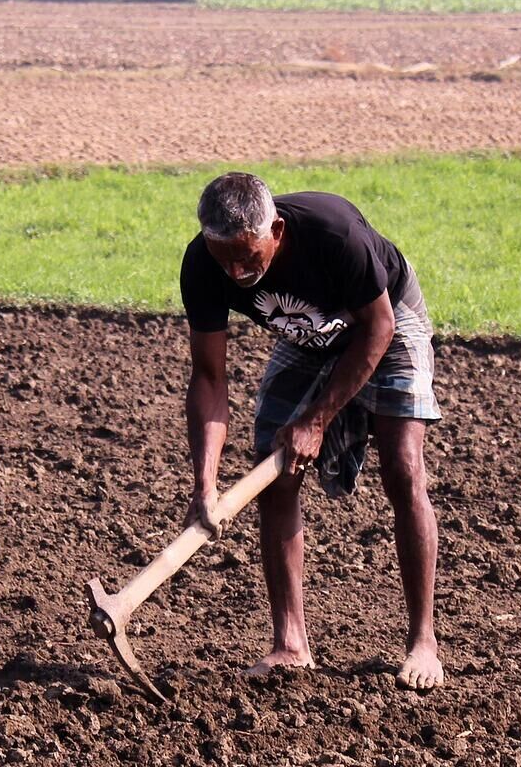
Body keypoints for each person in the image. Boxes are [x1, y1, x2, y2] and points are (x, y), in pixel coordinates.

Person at [179, 172, 445, 690]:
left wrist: (317, 421)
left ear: (276, 230)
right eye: (223, 258)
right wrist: (204, 485)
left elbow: (379, 329)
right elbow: (209, 378)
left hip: (384, 317)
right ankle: (290, 644)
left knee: (402, 466)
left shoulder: (334, 233)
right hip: (308, 333)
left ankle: (423, 640)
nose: (235, 272)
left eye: (247, 257)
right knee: (273, 474)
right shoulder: (202, 264)